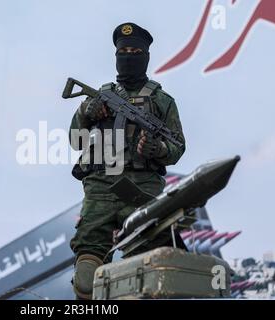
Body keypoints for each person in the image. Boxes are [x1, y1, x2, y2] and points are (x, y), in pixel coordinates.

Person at [68, 22, 186, 300]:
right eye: (124, 51)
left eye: (135, 51)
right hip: (101, 186)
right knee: (87, 275)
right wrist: (87, 112)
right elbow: (75, 141)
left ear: (145, 56)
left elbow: (177, 146)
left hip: (143, 190)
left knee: (148, 267)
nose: (129, 56)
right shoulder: (100, 96)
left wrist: (158, 149)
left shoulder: (162, 101)